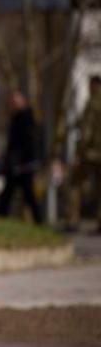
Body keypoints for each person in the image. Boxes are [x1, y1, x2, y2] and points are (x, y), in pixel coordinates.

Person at [0, 91, 42, 223]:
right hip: (18, 163)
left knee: (26, 195)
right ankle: (1, 218)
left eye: (16, 102)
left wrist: (19, 160)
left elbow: (26, 143)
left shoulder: (26, 118)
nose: (13, 105)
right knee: (10, 194)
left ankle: (38, 220)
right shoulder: (16, 118)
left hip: (24, 164)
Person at [65, 75, 101, 232]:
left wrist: (78, 154)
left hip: (90, 154)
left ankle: (72, 221)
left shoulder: (93, 103)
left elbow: (86, 132)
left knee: (74, 184)